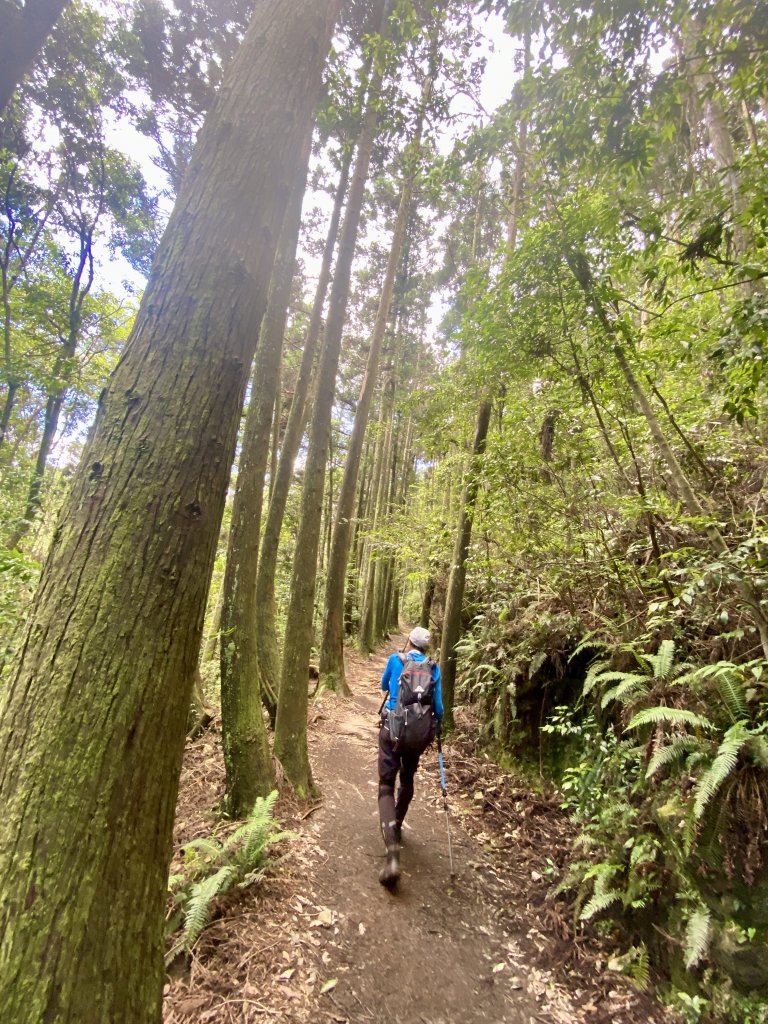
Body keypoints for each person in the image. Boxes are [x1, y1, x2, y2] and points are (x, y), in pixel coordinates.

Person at [377, 625, 443, 887]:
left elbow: (384, 685)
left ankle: (392, 850)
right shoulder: (433, 668)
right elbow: (438, 707)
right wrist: (437, 729)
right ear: (426, 647)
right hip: (416, 736)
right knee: (407, 779)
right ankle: (399, 822)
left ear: (408, 642)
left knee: (385, 785)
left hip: (391, 731)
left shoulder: (396, 660)